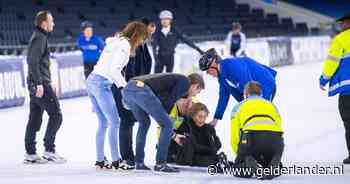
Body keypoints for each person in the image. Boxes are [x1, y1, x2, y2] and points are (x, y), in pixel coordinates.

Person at [86, 21, 147, 170]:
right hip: (101, 84)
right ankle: (116, 161)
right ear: (136, 35)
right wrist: (124, 88)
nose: (141, 42)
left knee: (103, 123)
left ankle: (100, 160)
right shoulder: (125, 46)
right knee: (115, 122)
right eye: (142, 38)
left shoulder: (116, 41)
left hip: (92, 80)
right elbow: (114, 70)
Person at [122, 73, 205, 172]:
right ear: (195, 85)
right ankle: (160, 164)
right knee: (167, 125)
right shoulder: (185, 82)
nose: (195, 95)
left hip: (129, 89)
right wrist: (170, 128)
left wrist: (171, 131)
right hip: (141, 90)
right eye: (197, 91)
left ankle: (139, 162)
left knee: (144, 123)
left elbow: (163, 101)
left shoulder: (172, 80)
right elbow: (169, 102)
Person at [111, 18, 156, 170]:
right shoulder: (124, 47)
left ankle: (130, 157)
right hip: (122, 87)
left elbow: (146, 64)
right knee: (126, 120)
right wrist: (126, 88)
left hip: (134, 86)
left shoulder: (138, 46)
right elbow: (121, 70)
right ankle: (127, 157)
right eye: (144, 35)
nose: (145, 39)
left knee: (130, 120)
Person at [24, 10, 66, 164]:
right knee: (56, 115)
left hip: (37, 82)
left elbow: (40, 63)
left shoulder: (40, 36)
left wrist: (46, 81)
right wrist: (40, 83)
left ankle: (30, 153)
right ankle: (49, 150)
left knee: (35, 118)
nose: (53, 23)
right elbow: (32, 62)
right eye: (51, 20)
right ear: (44, 23)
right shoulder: (40, 38)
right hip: (39, 83)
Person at [198, 48, 277, 127]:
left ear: (214, 64)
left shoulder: (234, 66)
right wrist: (216, 119)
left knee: (260, 117)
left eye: (208, 71)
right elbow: (223, 97)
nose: (208, 74)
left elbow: (250, 87)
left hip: (265, 85)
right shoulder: (221, 76)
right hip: (251, 92)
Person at [230, 81, 284, 180]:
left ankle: (249, 163)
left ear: (245, 94)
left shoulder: (238, 107)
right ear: (261, 93)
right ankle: (272, 165)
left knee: (237, 168)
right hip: (275, 140)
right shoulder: (271, 105)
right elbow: (279, 127)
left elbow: (235, 135)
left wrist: (240, 155)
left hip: (251, 138)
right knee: (273, 162)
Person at [319, 12, 350, 164]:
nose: (341, 25)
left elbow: (332, 62)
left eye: (343, 22)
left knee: (349, 123)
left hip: (347, 92)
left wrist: (323, 79)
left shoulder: (341, 39)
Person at [168, 102, 222, 167]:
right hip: (186, 157)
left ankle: (218, 161)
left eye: (205, 117)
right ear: (193, 115)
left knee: (214, 157)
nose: (202, 119)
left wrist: (214, 147)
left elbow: (216, 145)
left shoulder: (209, 128)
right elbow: (193, 146)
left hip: (203, 155)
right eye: (200, 116)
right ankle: (216, 161)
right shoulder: (185, 126)